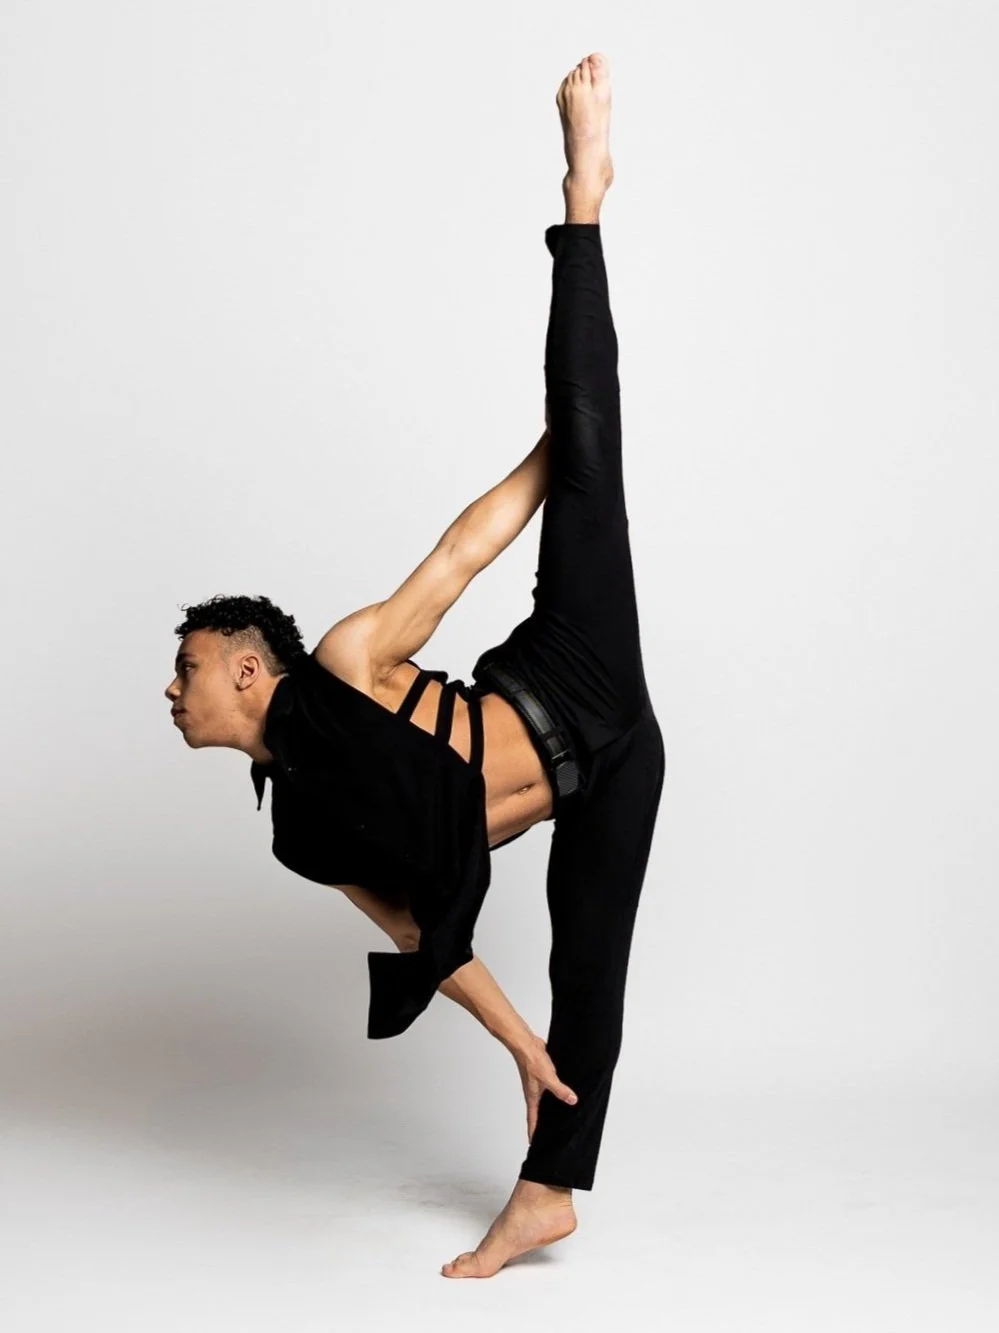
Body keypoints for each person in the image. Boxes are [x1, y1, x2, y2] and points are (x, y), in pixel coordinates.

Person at [165, 52, 665, 1278]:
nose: (171, 692)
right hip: (612, 774)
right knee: (586, 979)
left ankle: (583, 190)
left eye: (186, 668)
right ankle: (546, 1195)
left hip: (573, 670)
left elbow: (460, 553)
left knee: (587, 427)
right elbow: (428, 941)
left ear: (248, 668)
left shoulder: (346, 660)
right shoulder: (300, 833)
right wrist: (519, 1046)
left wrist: (567, 446)